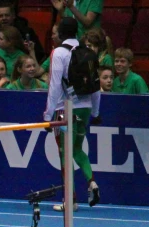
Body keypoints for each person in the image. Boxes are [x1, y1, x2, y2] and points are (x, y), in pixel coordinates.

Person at [43, 17, 101, 213]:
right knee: (76, 149)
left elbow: (54, 86)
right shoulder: (88, 52)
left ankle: (71, 201)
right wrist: (96, 111)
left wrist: (48, 115)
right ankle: (91, 181)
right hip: (84, 108)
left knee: (63, 155)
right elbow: (95, 86)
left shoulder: (58, 53)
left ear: (60, 33)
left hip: (64, 110)